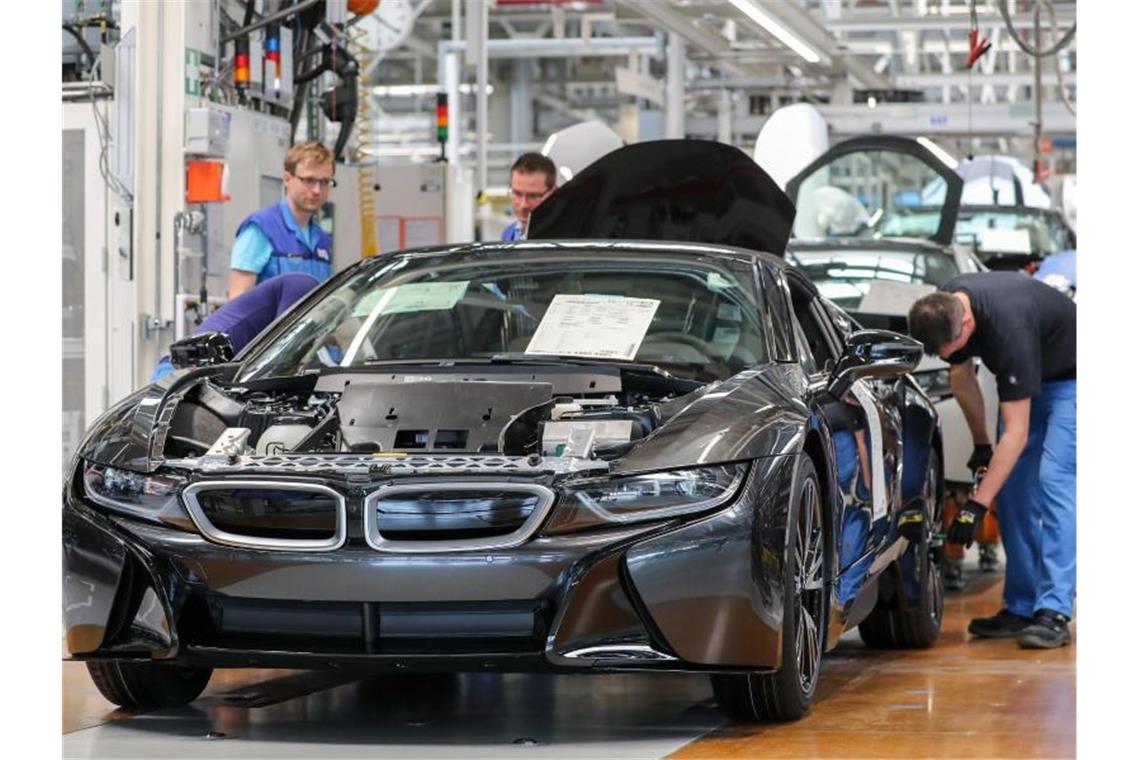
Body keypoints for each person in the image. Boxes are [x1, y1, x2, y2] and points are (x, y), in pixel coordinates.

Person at [908, 272, 1076, 649]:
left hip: (1071, 378)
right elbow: (961, 377)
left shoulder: (1008, 328)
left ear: (966, 323)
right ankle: (1021, 606)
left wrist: (975, 505)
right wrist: (982, 444)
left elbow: (1016, 432)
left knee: (1054, 480)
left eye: (952, 345)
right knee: (1013, 489)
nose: (950, 353)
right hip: (1033, 374)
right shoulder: (947, 304)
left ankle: (1054, 611)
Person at [152, 273, 320, 381]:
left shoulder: (311, 301)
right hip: (178, 375)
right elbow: (284, 356)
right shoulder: (303, 286)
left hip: (206, 375)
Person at [228, 141, 335, 299]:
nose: (317, 190)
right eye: (309, 180)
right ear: (287, 179)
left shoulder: (322, 240)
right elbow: (238, 300)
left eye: (325, 182)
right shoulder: (261, 229)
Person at [501, 152, 557, 241]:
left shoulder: (568, 237)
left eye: (533, 196)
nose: (524, 205)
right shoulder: (508, 234)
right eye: (517, 194)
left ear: (553, 192)